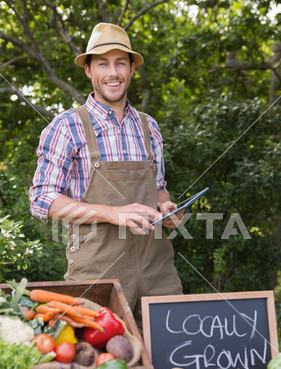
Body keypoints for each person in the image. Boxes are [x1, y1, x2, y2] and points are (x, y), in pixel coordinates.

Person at [29, 23, 184, 326]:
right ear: (89, 70)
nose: (113, 72)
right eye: (103, 63)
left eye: (120, 63)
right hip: (98, 272)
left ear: (131, 70)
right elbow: (42, 200)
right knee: (107, 363)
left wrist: (166, 207)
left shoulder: (148, 126)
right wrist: (112, 213)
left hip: (158, 270)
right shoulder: (67, 126)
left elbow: (159, 186)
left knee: (173, 357)